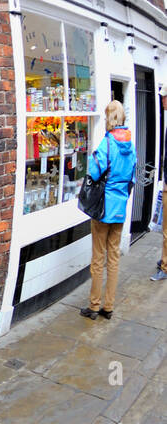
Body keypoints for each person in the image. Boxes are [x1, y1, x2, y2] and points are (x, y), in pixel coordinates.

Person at [84, 100, 136, 320]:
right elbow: (132, 175)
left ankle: (94, 306)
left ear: (109, 118)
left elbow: (94, 171)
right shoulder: (130, 144)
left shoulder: (108, 143)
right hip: (120, 208)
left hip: (104, 207)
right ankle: (109, 306)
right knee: (113, 257)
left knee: (98, 257)